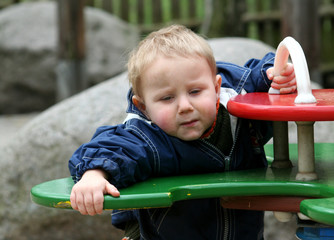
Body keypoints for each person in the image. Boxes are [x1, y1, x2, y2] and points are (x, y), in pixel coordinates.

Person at [69, 25, 296, 240]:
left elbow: (257, 76)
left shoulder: (240, 108)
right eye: (167, 98)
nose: (185, 106)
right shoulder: (149, 137)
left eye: (195, 91)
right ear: (144, 107)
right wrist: (94, 175)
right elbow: (113, 147)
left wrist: (275, 76)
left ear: (216, 89)